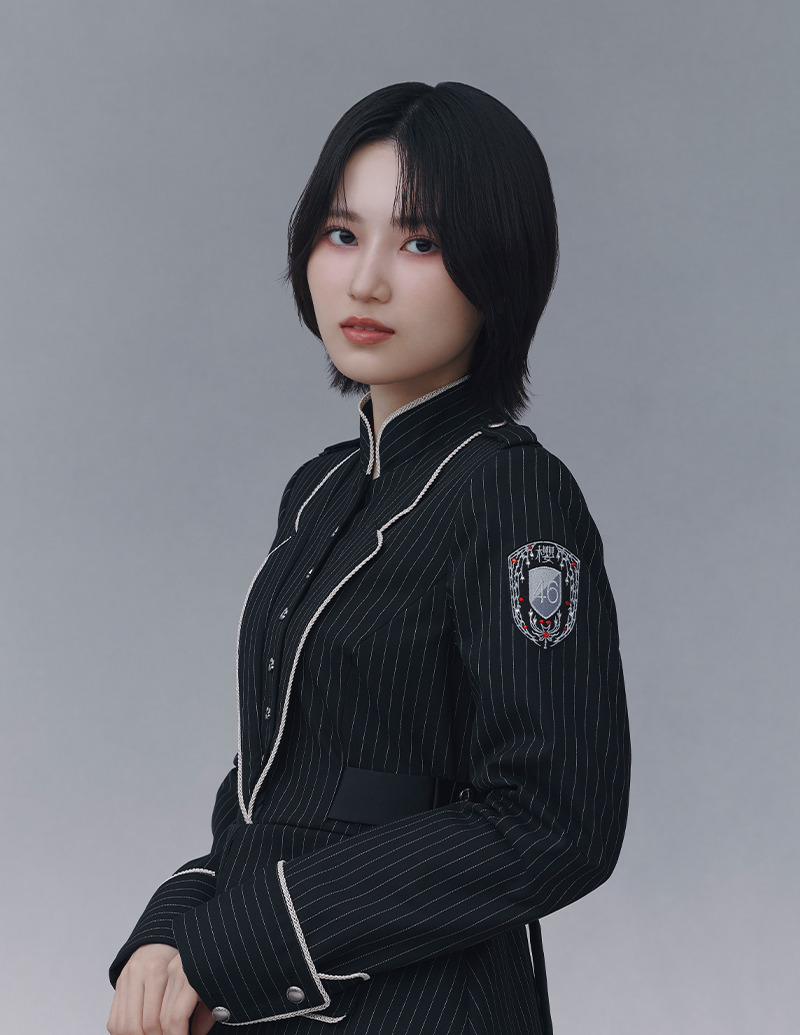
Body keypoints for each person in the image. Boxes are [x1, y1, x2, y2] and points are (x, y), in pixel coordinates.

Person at [107, 81, 630, 1035]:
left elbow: (555, 822)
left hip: (427, 1008)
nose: (367, 281)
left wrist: (243, 940)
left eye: (420, 243)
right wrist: (172, 928)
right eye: (343, 234)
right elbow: (275, 778)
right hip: (264, 1000)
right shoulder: (319, 489)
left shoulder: (513, 491)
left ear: (499, 265)